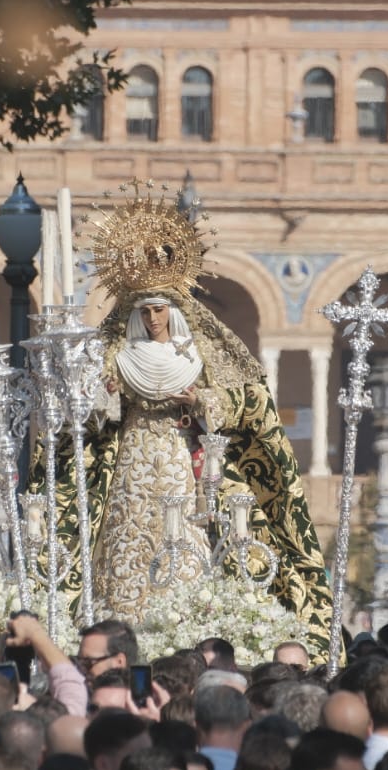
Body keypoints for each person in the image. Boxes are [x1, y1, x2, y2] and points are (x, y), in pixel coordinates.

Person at [50, 188, 333, 652]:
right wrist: (107, 397)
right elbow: (87, 417)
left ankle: (185, 635)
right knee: (127, 541)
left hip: (184, 461)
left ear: (174, 310)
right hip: (133, 464)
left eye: (160, 309)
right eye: (146, 311)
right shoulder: (116, 354)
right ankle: (124, 630)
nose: (154, 318)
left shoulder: (198, 353)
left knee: (186, 541)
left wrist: (204, 400)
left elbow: (246, 403)